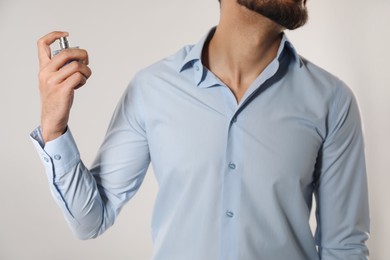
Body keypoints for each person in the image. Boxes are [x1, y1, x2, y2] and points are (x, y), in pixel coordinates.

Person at [31, 0, 370, 259]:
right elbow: (91, 218)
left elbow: (344, 248)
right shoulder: (153, 89)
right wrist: (54, 126)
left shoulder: (331, 101)